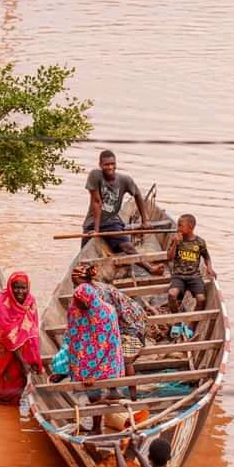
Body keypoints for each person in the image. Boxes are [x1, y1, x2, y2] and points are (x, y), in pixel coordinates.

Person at [72, 262, 149, 400]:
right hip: (112, 325)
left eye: (76, 284)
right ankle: (105, 392)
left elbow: (105, 335)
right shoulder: (84, 293)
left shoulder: (98, 296)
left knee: (124, 358)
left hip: (130, 327)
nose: (75, 288)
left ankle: (131, 396)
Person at [83, 150, 161, 275]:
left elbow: (138, 195)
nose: (110, 167)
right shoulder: (95, 176)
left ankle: (150, 268)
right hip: (92, 223)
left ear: (116, 164)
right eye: (106, 165)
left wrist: (146, 220)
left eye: (112, 164)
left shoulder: (124, 180)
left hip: (111, 222)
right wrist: (96, 230)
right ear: (100, 165)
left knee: (128, 247)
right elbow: (97, 202)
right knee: (84, 261)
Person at [62, 283, 124, 435]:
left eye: (81, 303)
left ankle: (97, 427)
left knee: (94, 389)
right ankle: (96, 423)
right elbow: (72, 337)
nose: (77, 305)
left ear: (90, 301)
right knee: (90, 390)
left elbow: (107, 347)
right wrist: (65, 366)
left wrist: (94, 375)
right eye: (76, 301)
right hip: (85, 353)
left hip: (106, 357)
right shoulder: (74, 310)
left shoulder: (106, 313)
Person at [0, 272, 42, 405]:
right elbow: (7, 337)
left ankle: (15, 404)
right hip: (1, 348)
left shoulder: (30, 302)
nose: (20, 291)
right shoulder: (0, 305)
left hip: (21, 349)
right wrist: (23, 362)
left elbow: (32, 331)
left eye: (23, 288)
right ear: (10, 287)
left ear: (28, 288)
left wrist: (33, 359)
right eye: (16, 287)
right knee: (3, 381)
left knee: (18, 379)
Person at [166, 213, 215, 315]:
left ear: (190, 228)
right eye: (178, 225)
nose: (178, 228)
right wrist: (175, 243)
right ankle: (177, 320)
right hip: (178, 276)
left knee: (201, 299)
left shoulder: (200, 242)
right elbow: (169, 257)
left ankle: (191, 326)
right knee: (171, 294)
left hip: (194, 276)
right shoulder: (176, 240)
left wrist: (209, 268)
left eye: (180, 225)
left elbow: (207, 257)